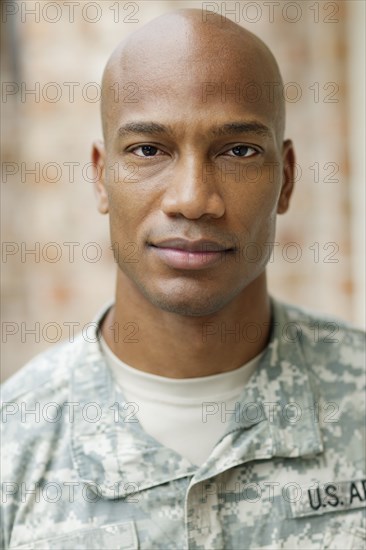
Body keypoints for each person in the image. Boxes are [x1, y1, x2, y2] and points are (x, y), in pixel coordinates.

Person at [1, 8, 365, 550]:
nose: (193, 198)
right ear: (101, 177)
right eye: (148, 150)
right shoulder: (13, 447)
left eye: (238, 151)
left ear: (285, 180)